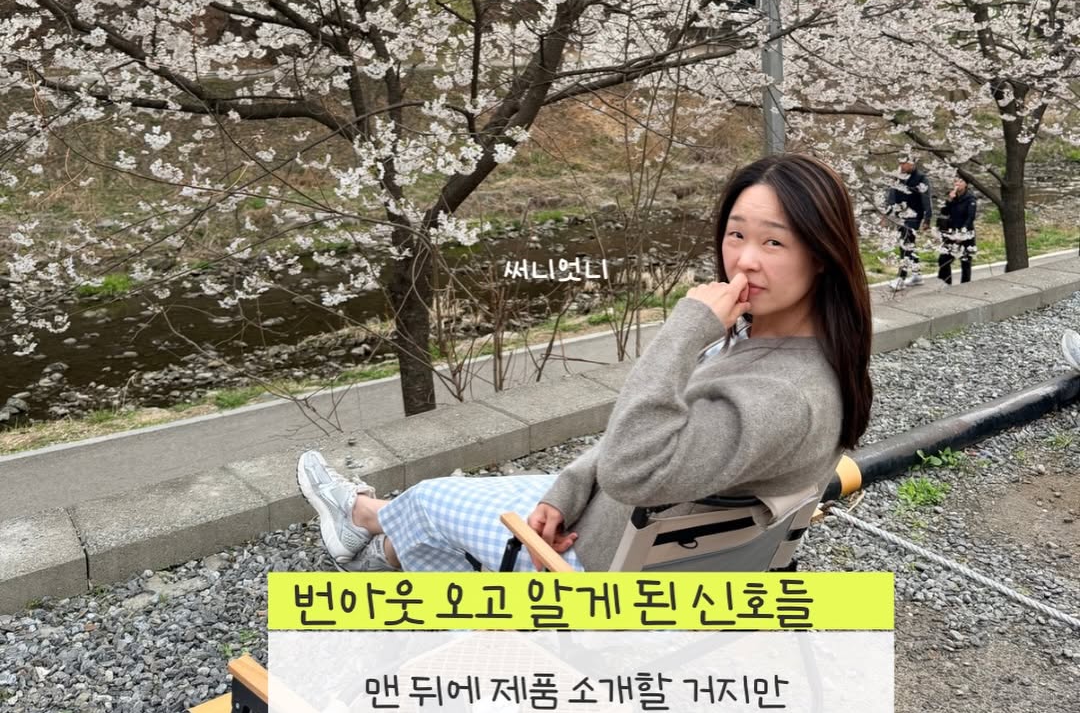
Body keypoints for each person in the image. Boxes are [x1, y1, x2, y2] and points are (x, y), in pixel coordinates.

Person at [296, 153, 874, 574]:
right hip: (626, 530)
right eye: (736, 234)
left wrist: (686, 328)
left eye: (774, 243)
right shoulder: (782, 349)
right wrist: (566, 490)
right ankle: (368, 531)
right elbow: (656, 436)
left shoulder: (783, 396)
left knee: (426, 502)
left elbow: (631, 466)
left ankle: (366, 534)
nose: (744, 261)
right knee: (442, 500)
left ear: (823, 255)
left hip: (598, 568)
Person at [885, 154, 932, 289]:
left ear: (912, 163)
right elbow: (892, 194)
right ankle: (917, 275)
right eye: (900, 163)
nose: (902, 166)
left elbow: (926, 198)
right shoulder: (899, 176)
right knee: (909, 244)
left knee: (905, 244)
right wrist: (887, 213)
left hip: (914, 215)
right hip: (901, 215)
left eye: (904, 164)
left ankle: (901, 278)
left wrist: (927, 218)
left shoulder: (921, 178)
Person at [936, 176, 977, 285]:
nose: (957, 183)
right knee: (943, 259)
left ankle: (965, 285)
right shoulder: (952, 197)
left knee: (965, 261)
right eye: (955, 181)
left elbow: (970, 217)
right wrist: (949, 200)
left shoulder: (970, 199)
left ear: (966, 184)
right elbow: (944, 212)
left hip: (965, 233)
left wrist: (962, 233)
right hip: (951, 232)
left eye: (960, 181)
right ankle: (946, 283)